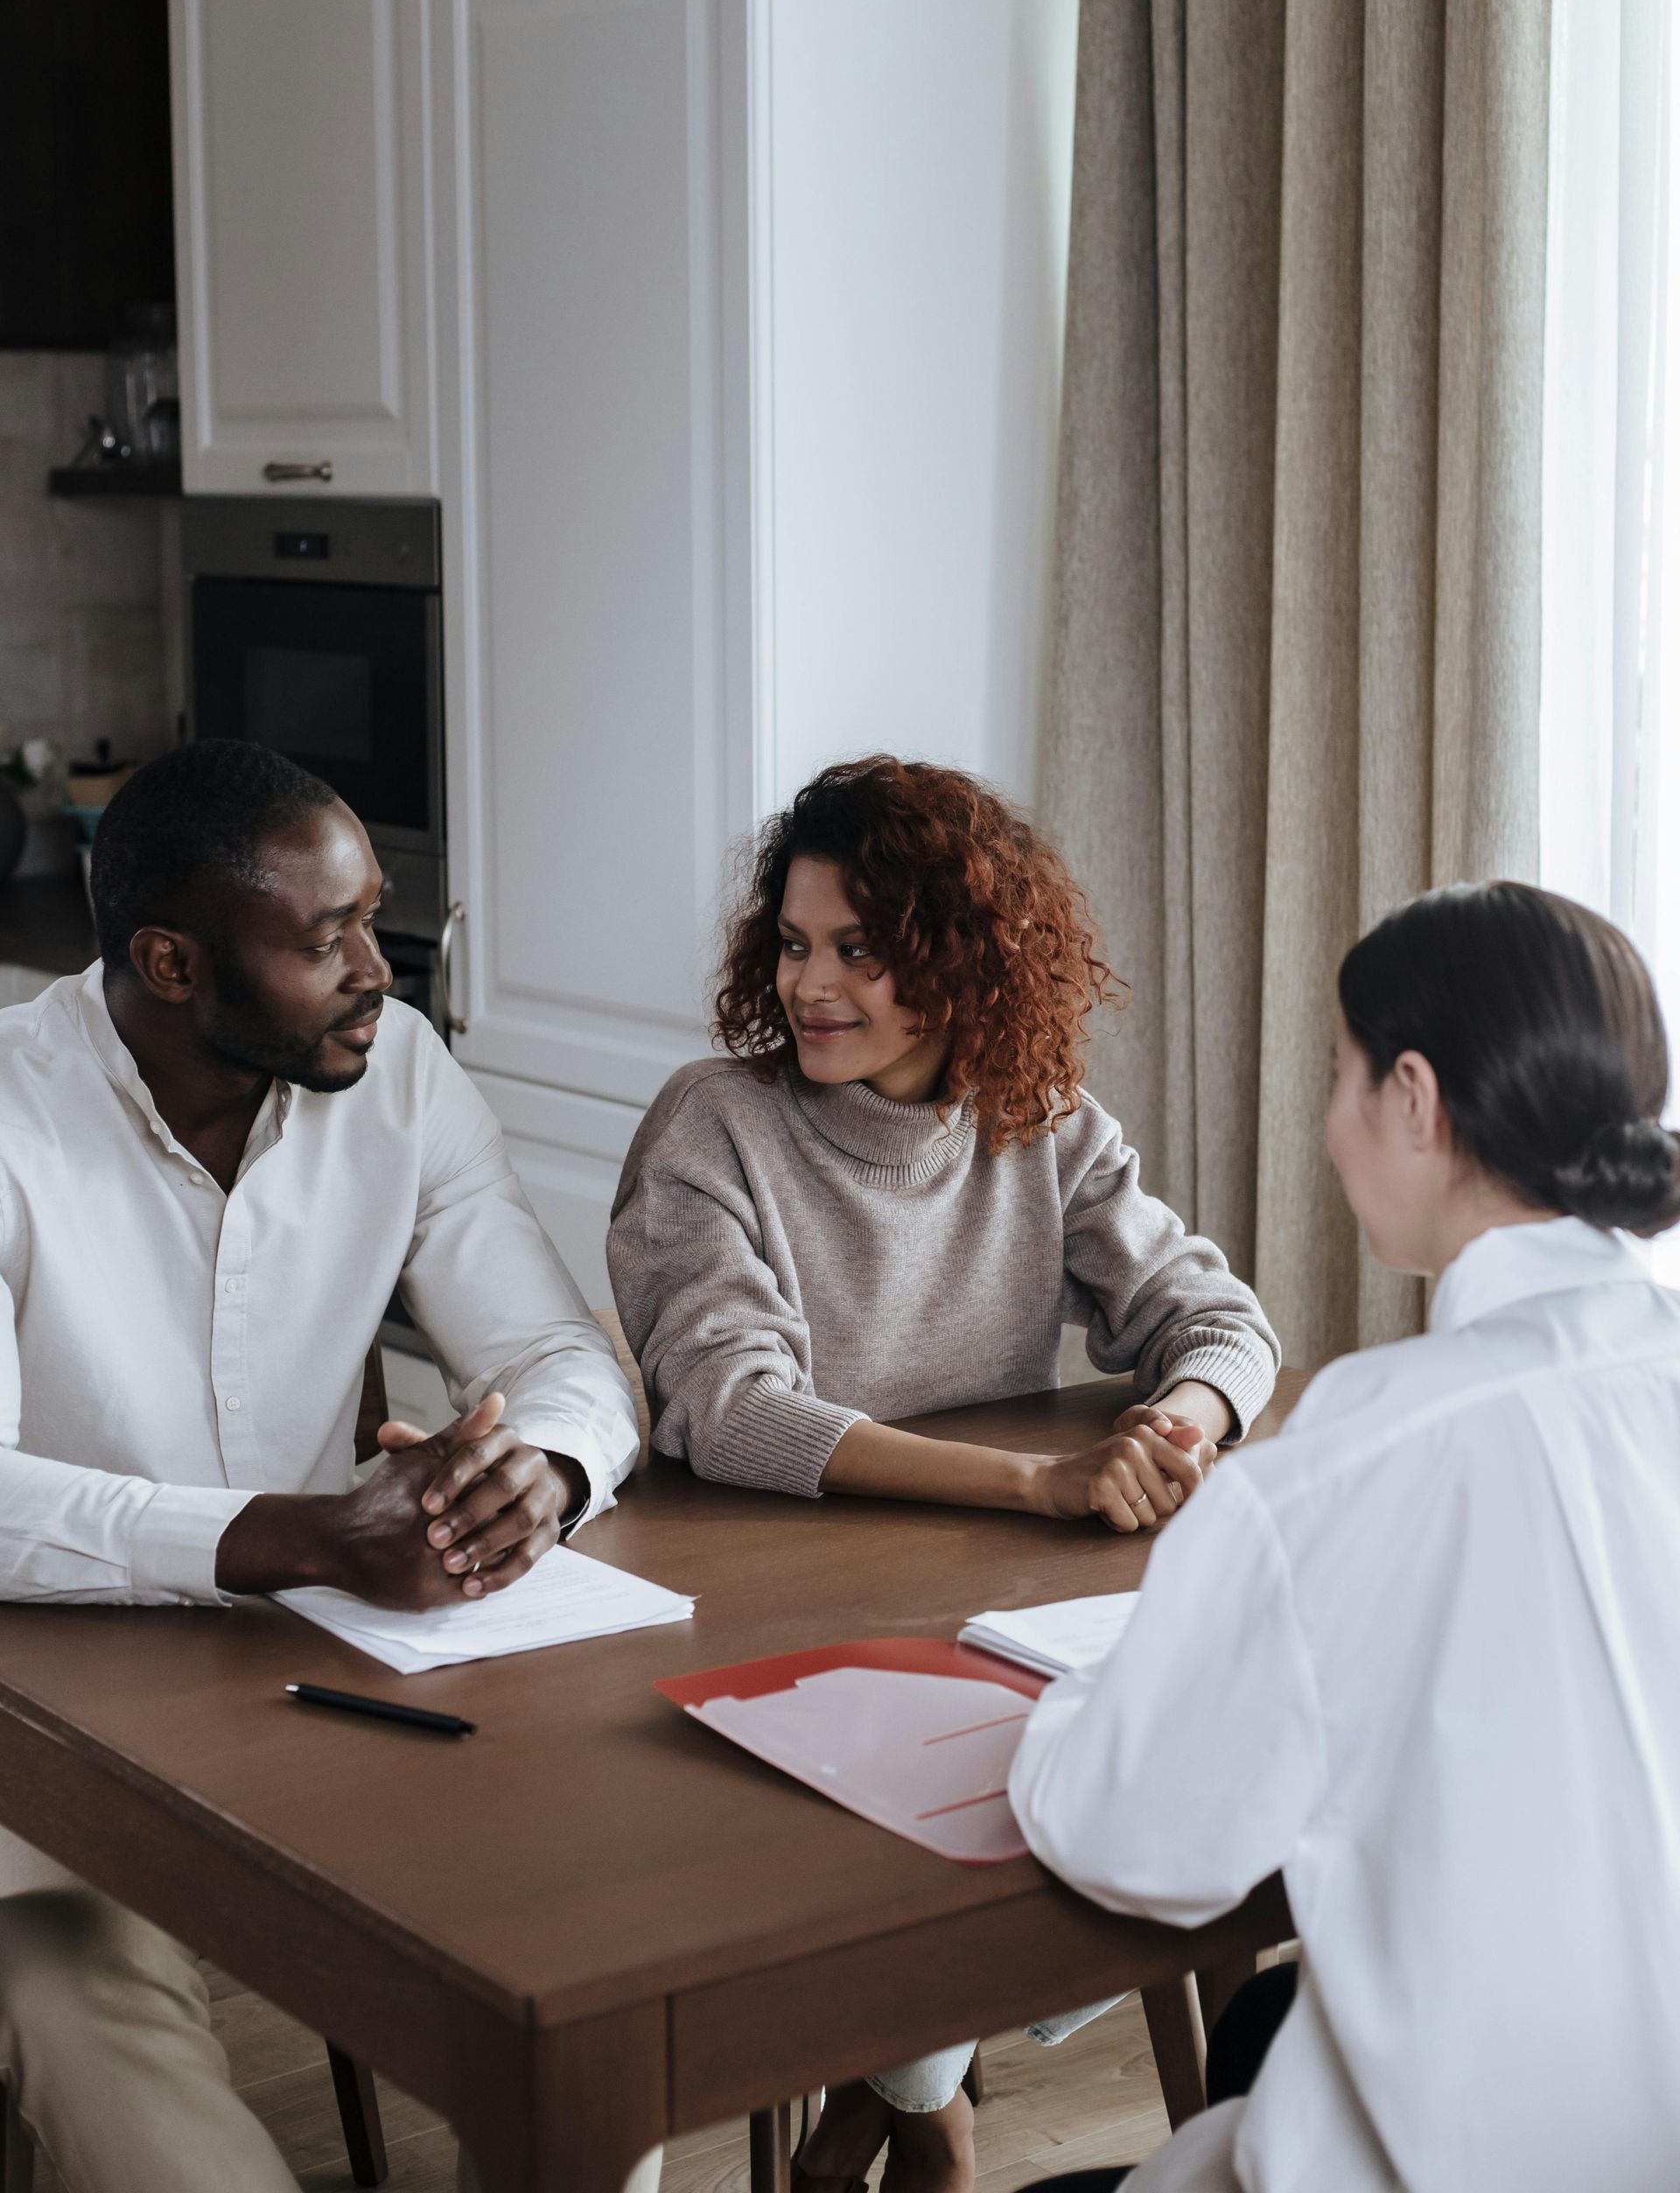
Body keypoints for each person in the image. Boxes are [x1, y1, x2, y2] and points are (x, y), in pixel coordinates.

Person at [607, 755, 1280, 2193]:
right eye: (794, 945)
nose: (812, 986)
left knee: (1195, 1770)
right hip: (761, 1619)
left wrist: (1180, 1429)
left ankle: (906, 2082)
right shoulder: (713, 1125)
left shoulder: (1042, 1126)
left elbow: (1221, 1323)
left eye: (862, 948)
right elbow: (731, 1411)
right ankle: (924, 2100)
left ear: (959, 959)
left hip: (983, 1608)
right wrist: (1037, 1490)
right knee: (991, 1797)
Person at [0, 739, 640, 2193]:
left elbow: (562, 1354)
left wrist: (544, 1469)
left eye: (374, 919)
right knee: (72, 1989)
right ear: (170, 962)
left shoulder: (401, 1079)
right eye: (327, 938)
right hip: (31, 1713)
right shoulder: (7, 1111)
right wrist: (308, 1536)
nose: (379, 971)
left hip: (324, 1682)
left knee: (599, 1942)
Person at [1010, 879, 1680, 2193]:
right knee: (1268, 2028)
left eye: (1338, 1075)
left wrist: (1088, 1691)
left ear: (1415, 1100)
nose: (1324, 1127)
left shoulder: (1356, 1452)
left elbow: (1131, 1836)